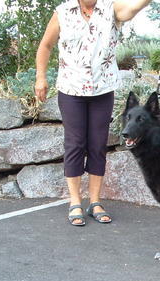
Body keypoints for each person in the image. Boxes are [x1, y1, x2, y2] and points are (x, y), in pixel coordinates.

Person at [35, 0, 151, 226]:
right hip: (71, 89)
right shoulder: (62, 12)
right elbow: (46, 46)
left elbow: (133, 8)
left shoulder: (112, 9)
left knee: (98, 144)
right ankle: (75, 202)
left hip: (102, 89)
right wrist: (41, 76)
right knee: (75, 143)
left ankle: (95, 202)